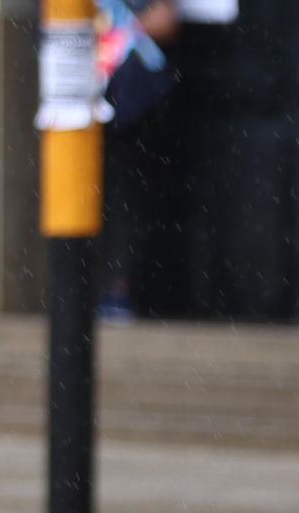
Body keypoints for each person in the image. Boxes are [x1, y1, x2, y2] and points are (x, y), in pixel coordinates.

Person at [96, 0, 179, 324]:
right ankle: (82, 286)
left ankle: (118, 288)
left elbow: (165, 18)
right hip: (81, 96)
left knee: (125, 198)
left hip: (131, 103)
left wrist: (124, 29)